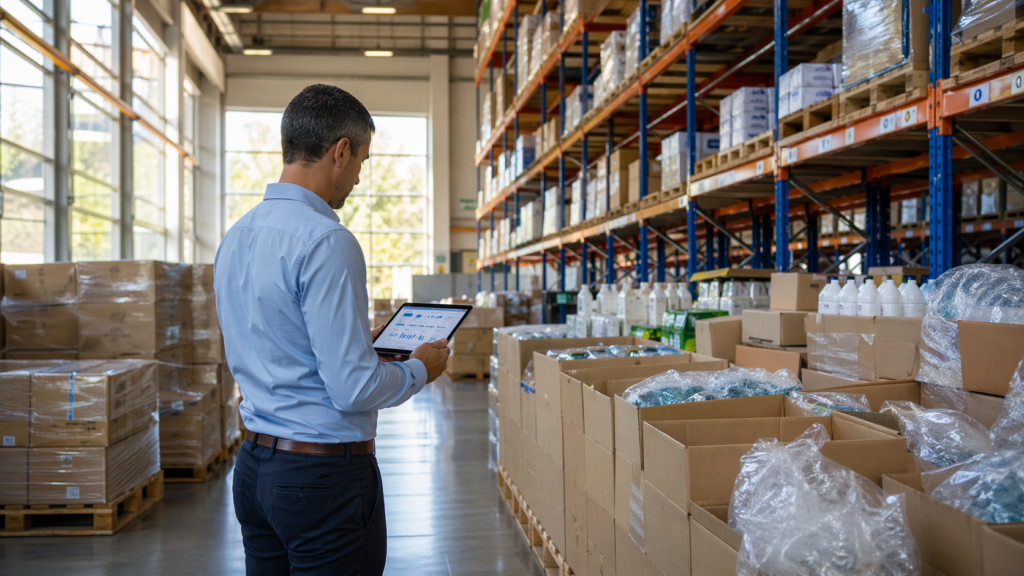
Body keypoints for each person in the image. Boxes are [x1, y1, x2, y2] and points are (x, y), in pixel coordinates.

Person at [214, 84, 451, 576]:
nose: (359, 179)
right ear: (340, 151)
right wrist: (419, 370)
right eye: (362, 161)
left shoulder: (237, 236)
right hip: (321, 479)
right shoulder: (327, 239)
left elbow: (277, 340)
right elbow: (353, 388)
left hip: (255, 470)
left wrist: (360, 345)